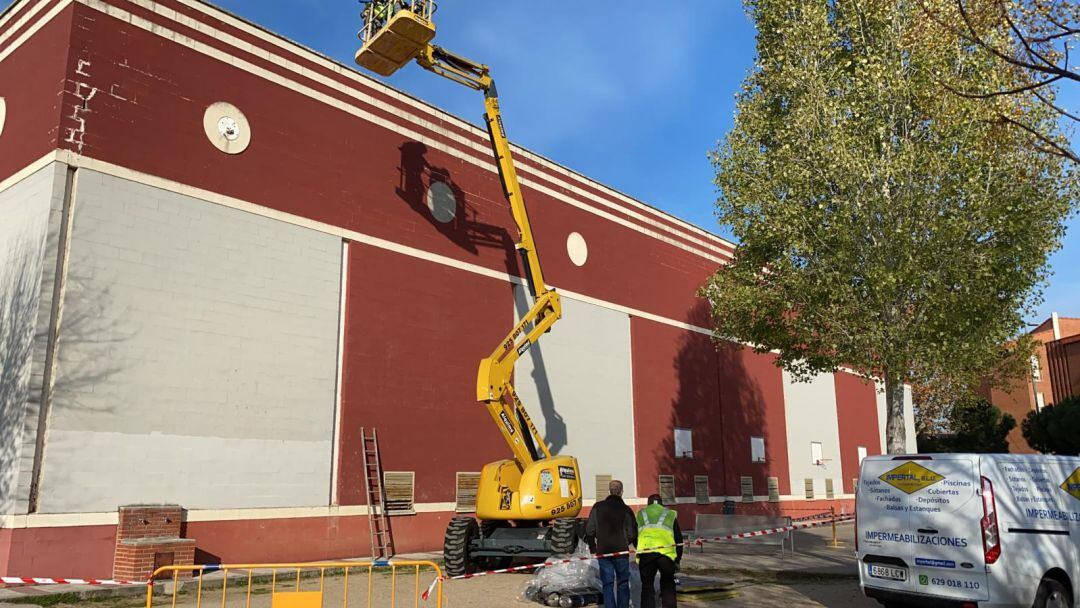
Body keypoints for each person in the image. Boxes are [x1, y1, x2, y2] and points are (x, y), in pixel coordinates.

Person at [585, 479, 637, 608]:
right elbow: (632, 532)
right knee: (623, 583)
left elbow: (589, 529)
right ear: (621, 492)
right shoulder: (626, 509)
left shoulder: (598, 507)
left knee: (607, 584)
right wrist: (627, 541)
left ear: (609, 491)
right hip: (621, 551)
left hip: (603, 551)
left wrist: (593, 546)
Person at [636, 494, 683, 608]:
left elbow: (634, 534)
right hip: (666, 555)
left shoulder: (641, 514)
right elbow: (679, 539)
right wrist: (677, 560)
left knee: (647, 587)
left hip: (646, 553)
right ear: (662, 503)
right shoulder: (670, 514)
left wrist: (638, 549)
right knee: (668, 586)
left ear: (648, 503)